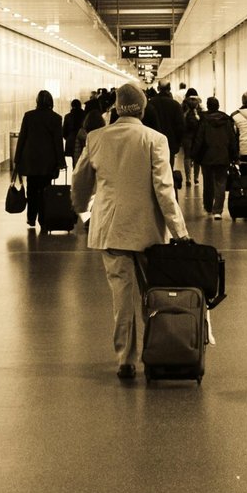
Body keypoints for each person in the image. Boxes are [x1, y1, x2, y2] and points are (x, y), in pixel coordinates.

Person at [71, 83, 191, 380]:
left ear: (115, 107)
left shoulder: (96, 138)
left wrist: (82, 210)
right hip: (148, 229)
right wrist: (180, 232)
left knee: (120, 297)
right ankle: (155, 351)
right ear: (143, 108)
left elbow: (80, 181)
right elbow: (165, 190)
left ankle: (125, 359)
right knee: (152, 294)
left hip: (111, 229)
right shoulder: (155, 139)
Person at [13, 89, 65, 230]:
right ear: (51, 102)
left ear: (37, 102)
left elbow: (22, 139)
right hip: (48, 162)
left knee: (31, 189)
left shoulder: (29, 116)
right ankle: (43, 218)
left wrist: (17, 159)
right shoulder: (56, 118)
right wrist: (61, 162)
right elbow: (57, 142)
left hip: (31, 161)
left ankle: (31, 218)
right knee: (45, 190)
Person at [189, 95, 239, 220]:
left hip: (207, 156)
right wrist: (234, 156)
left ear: (208, 105)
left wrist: (194, 155)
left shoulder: (204, 120)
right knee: (221, 182)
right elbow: (232, 140)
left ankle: (208, 207)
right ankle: (218, 211)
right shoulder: (226, 120)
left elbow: (199, 139)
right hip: (223, 155)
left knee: (208, 182)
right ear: (218, 106)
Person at [142, 81, 186, 171]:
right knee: (168, 168)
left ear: (158, 88)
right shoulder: (175, 105)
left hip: (152, 142)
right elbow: (181, 126)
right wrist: (177, 143)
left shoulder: (149, 104)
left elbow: (144, 124)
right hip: (170, 143)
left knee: (152, 168)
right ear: (169, 89)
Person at [180, 90, 203, 188]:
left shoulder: (183, 107)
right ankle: (196, 178)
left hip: (186, 135)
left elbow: (181, 121)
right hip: (197, 135)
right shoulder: (199, 108)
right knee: (197, 156)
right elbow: (202, 121)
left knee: (187, 157)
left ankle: (188, 178)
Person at [62, 98, 85, 167]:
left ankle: (75, 174)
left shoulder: (68, 116)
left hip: (71, 140)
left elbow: (64, 132)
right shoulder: (85, 115)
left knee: (74, 161)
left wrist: (69, 137)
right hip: (83, 140)